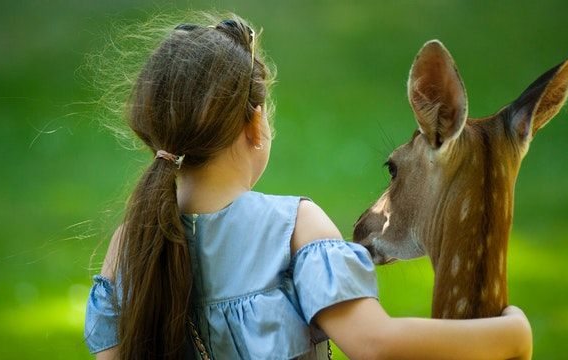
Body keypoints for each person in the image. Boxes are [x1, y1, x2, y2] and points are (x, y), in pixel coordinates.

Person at [83, 13, 532, 360]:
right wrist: (511, 333)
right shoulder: (294, 226)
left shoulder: (131, 242)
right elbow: (375, 344)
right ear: (255, 125)